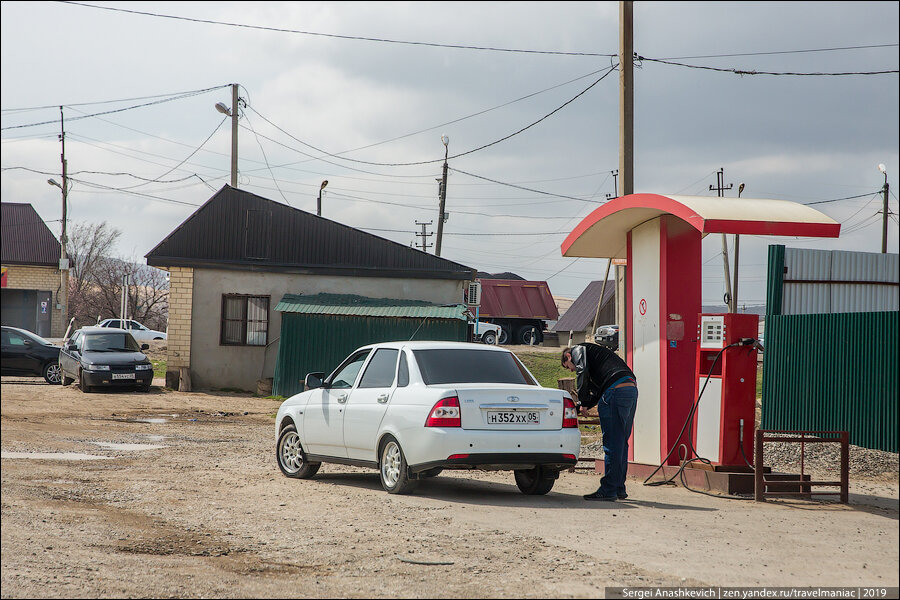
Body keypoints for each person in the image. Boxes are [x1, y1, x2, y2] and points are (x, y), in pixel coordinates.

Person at [561, 343, 638, 501]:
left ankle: (608, 490)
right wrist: (587, 404)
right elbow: (598, 390)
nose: (571, 370)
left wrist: (582, 401)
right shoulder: (598, 359)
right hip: (630, 389)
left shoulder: (577, 350)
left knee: (611, 444)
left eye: (567, 366)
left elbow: (581, 371)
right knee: (621, 443)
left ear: (568, 357)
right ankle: (618, 488)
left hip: (615, 391)